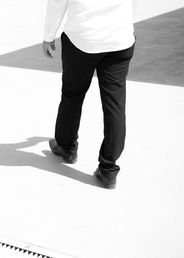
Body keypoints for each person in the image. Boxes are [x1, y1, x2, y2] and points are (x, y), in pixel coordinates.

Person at [43, 0, 140, 189]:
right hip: (119, 40)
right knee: (115, 105)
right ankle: (108, 170)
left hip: (82, 39)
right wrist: (125, 23)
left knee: (72, 95)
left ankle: (66, 147)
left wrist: (48, 35)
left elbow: (57, 2)